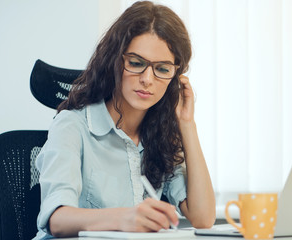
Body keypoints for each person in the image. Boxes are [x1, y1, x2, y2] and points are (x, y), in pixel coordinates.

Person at [33, 1, 215, 239]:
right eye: (137, 63)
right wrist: (126, 218)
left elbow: (203, 218)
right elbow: (57, 219)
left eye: (162, 69)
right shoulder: (72, 126)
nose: (147, 79)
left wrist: (187, 124)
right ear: (115, 61)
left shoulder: (160, 136)